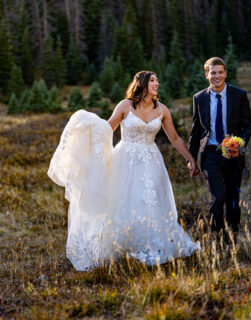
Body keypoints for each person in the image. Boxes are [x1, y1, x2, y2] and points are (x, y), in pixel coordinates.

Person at [48, 70, 199, 271]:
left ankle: (148, 243)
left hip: (151, 161)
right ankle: (122, 246)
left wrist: (191, 160)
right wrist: (85, 131)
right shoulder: (125, 106)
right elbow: (106, 129)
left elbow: (174, 138)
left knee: (150, 201)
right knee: (124, 201)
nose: (157, 84)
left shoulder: (162, 110)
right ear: (142, 84)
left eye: (157, 81)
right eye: (153, 81)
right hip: (125, 160)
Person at [188, 57, 251, 240]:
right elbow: (196, 131)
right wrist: (191, 160)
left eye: (220, 72)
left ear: (225, 74)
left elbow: (249, 125)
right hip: (210, 154)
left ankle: (232, 237)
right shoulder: (199, 98)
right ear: (206, 74)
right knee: (217, 196)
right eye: (212, 72)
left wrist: (239, 143)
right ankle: (217, 239)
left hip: (233, 154)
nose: (216, 76)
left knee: (233, 198)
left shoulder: (239, 95)